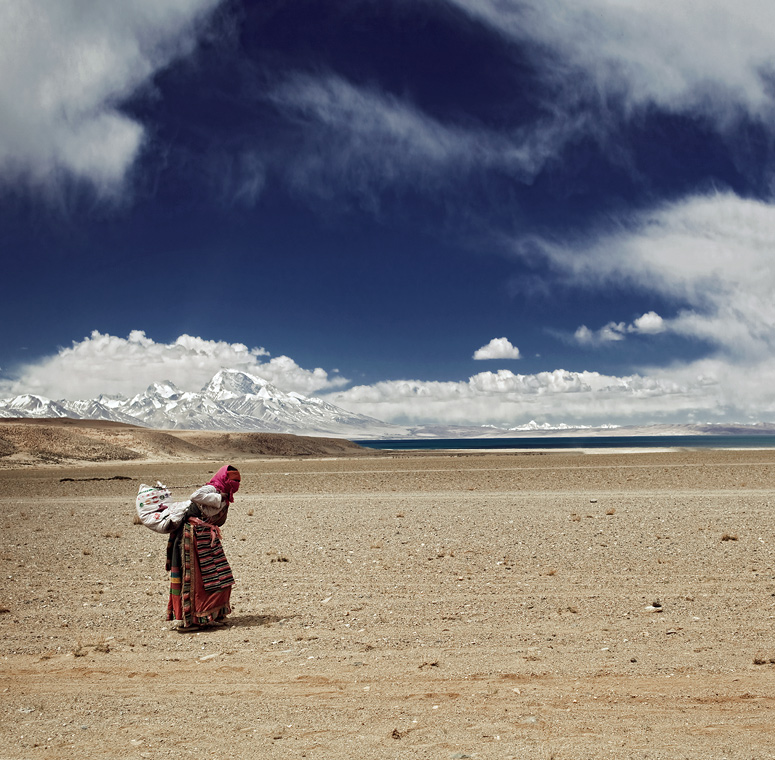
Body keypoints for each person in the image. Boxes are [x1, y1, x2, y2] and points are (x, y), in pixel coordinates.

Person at [166, 465, 241, 631]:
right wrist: (218, 497)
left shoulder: (225, 495)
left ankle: (215, 613)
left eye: (237, 481)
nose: (235, 484)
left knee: (220, 576)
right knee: (195, 579)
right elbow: (195, 496)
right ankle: (191, 619)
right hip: (192, 537)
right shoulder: (213, 489)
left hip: (207, 538)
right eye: (233, 480)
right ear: (224, 478)